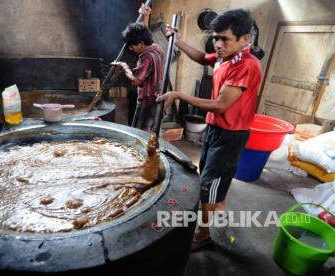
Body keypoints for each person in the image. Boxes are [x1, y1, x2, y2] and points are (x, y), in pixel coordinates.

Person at [157, 9, 262, 251]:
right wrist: (180, 41)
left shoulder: (246, 65)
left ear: (245, 39)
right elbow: (203, 57)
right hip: (214, 129)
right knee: (211, 175)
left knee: (207, 183)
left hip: (230, 135)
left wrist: (180, 95)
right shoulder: (225, 57)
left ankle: (204, 234)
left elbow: (221, 105)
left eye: (224, 38)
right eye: (216, 37)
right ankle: (219, 205)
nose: (218, 44)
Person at [112, 4, 165, 131]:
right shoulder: (156, 47)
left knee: (140, 131)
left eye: (132, 46)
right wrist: (146, 16)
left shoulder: (145, 57)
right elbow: (145, 34)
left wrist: (124, 66)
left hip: (147, 101)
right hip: (158, 99)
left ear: (141, 44)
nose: (130, 49)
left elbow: (136, 81)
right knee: (153, 129)